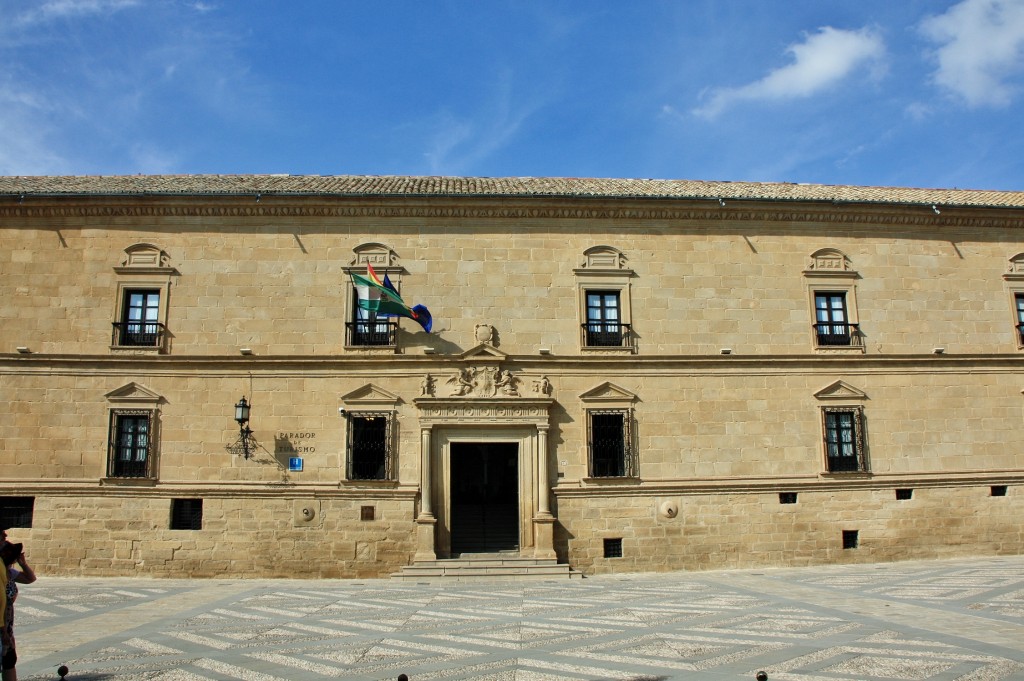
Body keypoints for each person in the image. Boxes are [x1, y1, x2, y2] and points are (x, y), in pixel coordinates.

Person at [0, 531, 35, 681]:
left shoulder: (9, 572)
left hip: (7, 623)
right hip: (2, 624)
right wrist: (3, 632)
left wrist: (23, 564)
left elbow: (30, 579)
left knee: (9, 660)